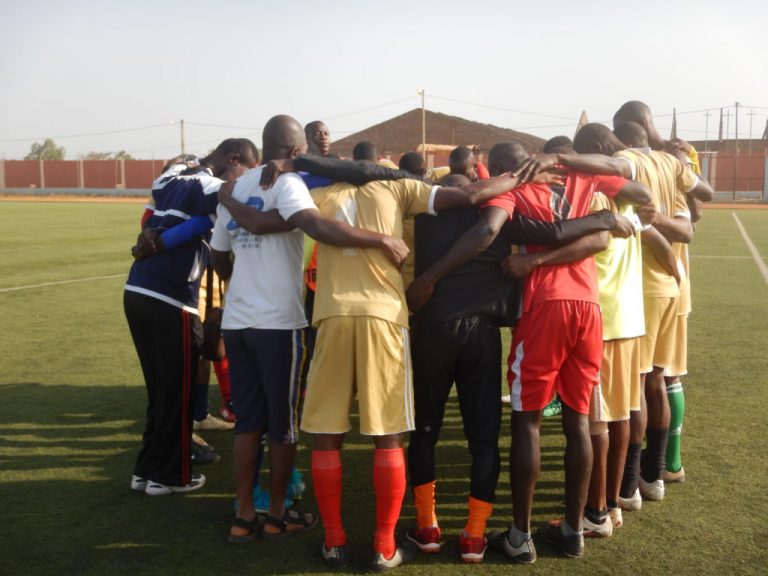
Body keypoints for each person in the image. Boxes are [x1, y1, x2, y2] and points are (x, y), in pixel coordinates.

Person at [253, 152, 552, 570]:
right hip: (388, 316)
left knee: (328, 435)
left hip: (333, 314)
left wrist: (235, 196)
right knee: (391, 434)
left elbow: (273, 223)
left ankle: (338, 542)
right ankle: (388, 545)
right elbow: (471, 196)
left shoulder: (316, 192)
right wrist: (516, 177)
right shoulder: (400, 188)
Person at [407, 141, 651, 560]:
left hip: (544, 309)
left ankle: (520, 536)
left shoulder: (511, 189)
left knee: (529, 421)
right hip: (589, 307)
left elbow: (486, 231)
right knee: (577, 420)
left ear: (501, 168)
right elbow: (625, 209)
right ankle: (574, 529)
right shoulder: (580, 176)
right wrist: (576, 173)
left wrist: (431, 277)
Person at [211, 115, 411, 544]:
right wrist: (379, 239)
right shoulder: (289, 184)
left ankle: (243, 515)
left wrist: (243, 282)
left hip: (237, 320)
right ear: (296, 149)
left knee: (247, 422)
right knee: (282, 423)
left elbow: (218, 256)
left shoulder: (236, 188)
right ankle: (278, 513)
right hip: (276, 322)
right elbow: (317, 227)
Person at [125, 138, 258, 496]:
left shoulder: (172, 176)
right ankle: (170, 476)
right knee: (179, 393)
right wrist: (168, 240)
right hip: (171, 297)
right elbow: (221, 207)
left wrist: (156, 236)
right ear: (233, 160)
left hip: (137, 290)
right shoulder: (215, 187)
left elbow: (175, 198)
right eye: (244, 169)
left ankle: (146, 469)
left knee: (160, 391)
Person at [611, 104, 712, 505]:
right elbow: (698, 209)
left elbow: (684, 225)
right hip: (671, 285)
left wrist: (650, 220)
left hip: (643, 290)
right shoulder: (673, 163)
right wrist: (684, 164)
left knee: (641, 386)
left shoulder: (626, 162)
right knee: (660, 379)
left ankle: (632, 482)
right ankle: (659, 472)